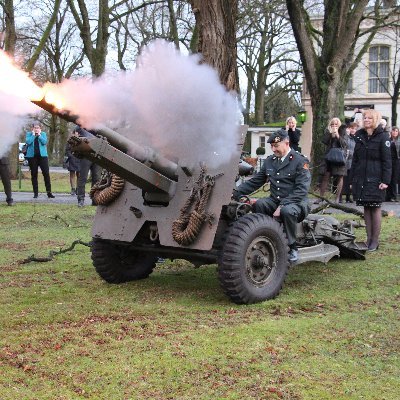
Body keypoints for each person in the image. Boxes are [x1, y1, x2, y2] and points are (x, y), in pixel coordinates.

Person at [233, 129, 311, 262]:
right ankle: (268, 237)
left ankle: (292, 248)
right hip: (275, 200)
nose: (273, 149)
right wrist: (235, 193)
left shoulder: (300, 161)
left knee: (287, 211)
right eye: (272, 146)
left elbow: (301, 189)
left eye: (276, 146)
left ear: (286, 143)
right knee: (260, 204)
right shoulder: (270, 161)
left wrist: (283, 205)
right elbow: (255, 181)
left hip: (296, 203)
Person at [349, 109, 391, 252]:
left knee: (375, 208)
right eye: (365, 117)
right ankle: (368, 239)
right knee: (366, 208)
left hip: (376, 179)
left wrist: (385, 180)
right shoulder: (359, 136)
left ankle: (375, 240)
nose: (366, 120)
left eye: (369, 118)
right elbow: (355, 159)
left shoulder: (383, 137)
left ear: (375, 120)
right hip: (361, 178)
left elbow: (387, 161)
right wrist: (352, 178)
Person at [317, 118, 347, 203]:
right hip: (329, 157)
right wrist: (330, 133)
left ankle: (337, 198)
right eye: (332, 124)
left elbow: (344, 144)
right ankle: (321, 197)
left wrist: (337, 135)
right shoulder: (328, 131)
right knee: (325, 176)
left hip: (339, 157)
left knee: (339, 177)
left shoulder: (343, 131)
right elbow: (325, 141)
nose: (334, 126)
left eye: (336, 124)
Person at [73, 126, 102, 207]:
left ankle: (95, 200)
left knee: (97, 179)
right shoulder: (81, 126)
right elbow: (75, 136)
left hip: (97, 154)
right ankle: (81, 200)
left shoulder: (99, 125)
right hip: (86, 155)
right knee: (82, 178)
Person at [25, 121, 54, 198]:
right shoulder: (29, 134)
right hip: (32, 157)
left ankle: (49, 192)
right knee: (34, 174)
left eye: (38, 128)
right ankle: (35, 193)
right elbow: (28, 142)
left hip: (43, 157)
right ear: (32, 128)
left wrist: (39, 135)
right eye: (35, 128)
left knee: (46, 174)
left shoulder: (43, 134)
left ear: (40, 128)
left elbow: (44, 142)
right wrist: (34, 135)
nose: (36, 129)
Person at [340, 122, 357, 203]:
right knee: (342, 178)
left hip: (352, 160)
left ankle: (348, 196)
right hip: (345, 160)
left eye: (355, 129)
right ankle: (339, 195)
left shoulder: (355, 138)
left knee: (350, 179)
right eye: (352, 128)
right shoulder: (345, 137)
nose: (353, 130)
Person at [64, 130, 81, 195]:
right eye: (74, 133)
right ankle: (73, 189)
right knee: (72, 174)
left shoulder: (82, 141)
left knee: (79, 175)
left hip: (79, 159)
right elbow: (67, 150)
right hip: (72, 160)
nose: (76, 135)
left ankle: (78, 189)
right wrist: (71, 156)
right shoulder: (69, 141)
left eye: (77, 133)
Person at [386, 126, 400, 202]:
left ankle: (394, 196)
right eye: (393, 131)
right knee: (388, 177)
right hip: (388, 160)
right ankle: (388, 196)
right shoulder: (388, 140)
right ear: (391, 132)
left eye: (396, 131)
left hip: (396, 161)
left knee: (394, 179)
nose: (395, 132)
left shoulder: (399, 141)